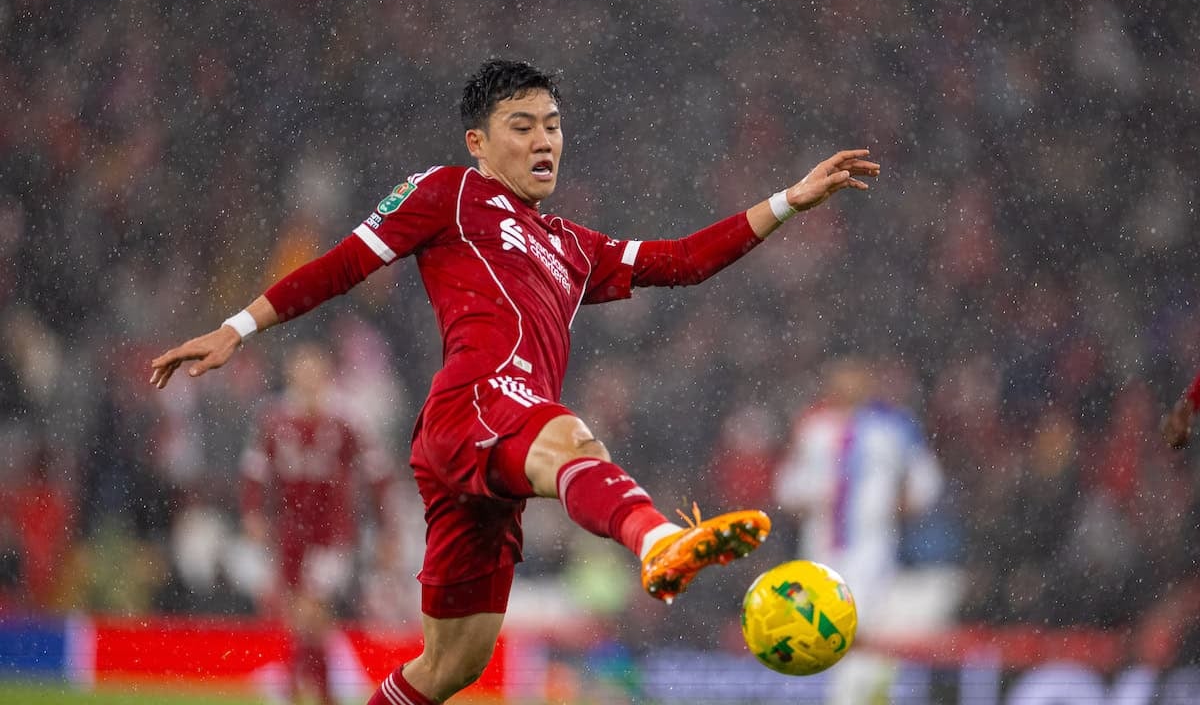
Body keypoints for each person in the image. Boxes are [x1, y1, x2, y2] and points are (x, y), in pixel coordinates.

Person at [150, 59, 880, 705]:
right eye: (522, 126)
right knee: (569, 433)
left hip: (490, 454)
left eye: (553, 126)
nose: (543, 141)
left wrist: (790, 200)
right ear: (478, 142)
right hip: (474, 405)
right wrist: (236, 329)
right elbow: (344, 263)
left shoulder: (571, 245)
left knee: (449, 667)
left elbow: (683, 260)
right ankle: (658, 541)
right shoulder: (449, 193)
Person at [774, 356, 944, 705]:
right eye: (840, 376)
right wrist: (809, 498)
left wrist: (893, 506)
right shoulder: (813, 426)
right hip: (819, 548)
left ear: (868, 381)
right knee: (816, 633)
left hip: (872, 550)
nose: (847, 384)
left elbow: (926, 485)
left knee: (861, 630)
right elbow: (786, 488)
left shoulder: (894, 426)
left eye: (854, 375)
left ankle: (858, 698)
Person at [240, 341, 400, 704]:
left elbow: (377, 474)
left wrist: (387, 528)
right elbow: (254, 472)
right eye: (302, 369)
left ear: (326, 373)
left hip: (332, 533)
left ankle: (297, 689)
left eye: (315, 370)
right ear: (291, 373)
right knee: (302, 621)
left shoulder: (346, 419)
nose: (309, 377)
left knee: (312, 611)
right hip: (289, 532)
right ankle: (315, 691)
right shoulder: (273, 417)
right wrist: (252, 513)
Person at [1162, 371, 1200, 449]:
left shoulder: (1179, 383)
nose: (1177, 423)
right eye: (1177, 432)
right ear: (1186, 433)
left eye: (1171, 426)